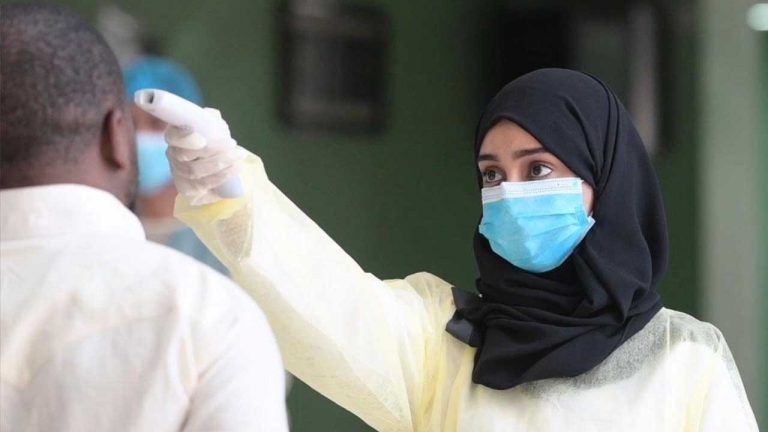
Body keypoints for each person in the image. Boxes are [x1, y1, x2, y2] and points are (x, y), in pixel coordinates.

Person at [166, 69, 758, 430]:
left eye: (539, 169)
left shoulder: (685, 358)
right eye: (492, 175)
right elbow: (326, 301)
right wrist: (231, 193)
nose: (511, 194)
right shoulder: (445, 344)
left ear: (607, 180)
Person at [0, 4, 288, 431]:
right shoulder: (208, 314)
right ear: (116, 136)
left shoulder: (219, 265)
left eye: (157, 123)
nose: (145, 138)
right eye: (134, 124)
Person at [123, 56, 227, 274]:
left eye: (156, 123)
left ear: (189, 132)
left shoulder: (220, 241)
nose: (140, 136)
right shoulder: (110, 229)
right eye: (130, 124)